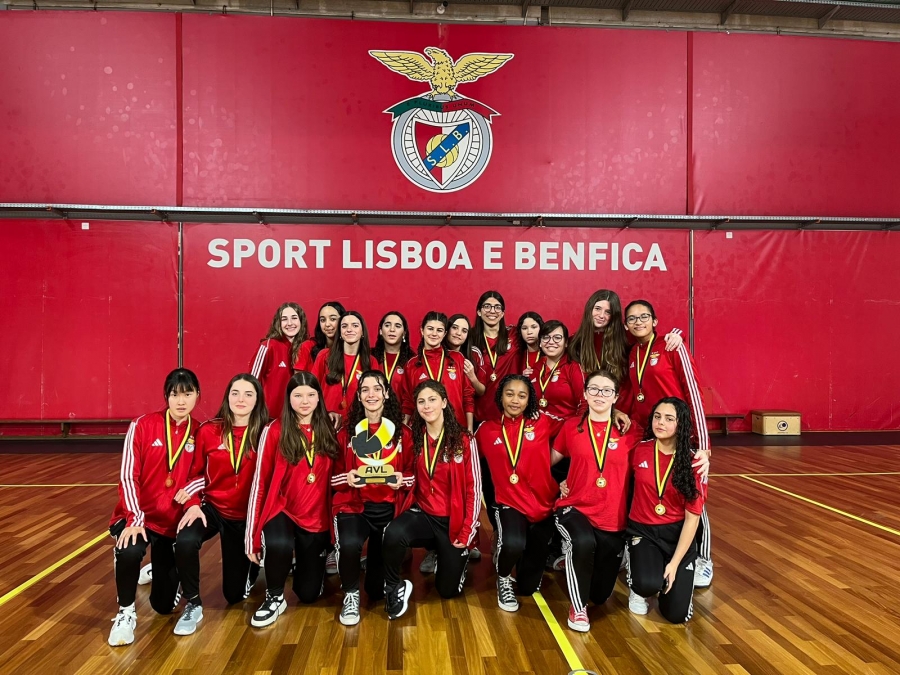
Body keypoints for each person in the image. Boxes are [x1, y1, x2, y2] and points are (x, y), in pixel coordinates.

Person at [618, 299, 714, 587]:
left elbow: (693, 392)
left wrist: (703, 444)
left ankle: (703, 560)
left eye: (643, 316)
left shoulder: (672, 346)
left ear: (655, 321)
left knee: (693, 496)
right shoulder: (633, 353)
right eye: (632, 318)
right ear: (626, 325)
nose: (638, 322)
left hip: (682, 435)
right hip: (652, 433)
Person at [107, 368, 201, 647]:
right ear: (166, 396)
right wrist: (134, 517)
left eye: (187, 394)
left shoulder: (201, 431)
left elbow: (204, 475)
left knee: (163, 606)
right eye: (174, 395)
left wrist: (192, 499)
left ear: (198, 395)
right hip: (140, 516)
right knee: (129, 548)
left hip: (170, 523)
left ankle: (161, 572)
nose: (181, 401)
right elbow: (128, 476)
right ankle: (125, 612)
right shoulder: (142, 425)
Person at [170, 374, 267, 635]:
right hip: (212, 508)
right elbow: (193, 473)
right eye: (235, 393)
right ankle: (192, 602)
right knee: (185, 539)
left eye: (248, 394)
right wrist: (192, 503)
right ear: (227, 397)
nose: (241, 399)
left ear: (257, 400)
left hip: (246, 517)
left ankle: (252, 566)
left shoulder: (267, 433)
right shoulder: (208, 431)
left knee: (234, 595)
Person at [245, 372, 341, 627]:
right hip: (283, 509)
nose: (305, 401)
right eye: (298, 395)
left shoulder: (330, 429)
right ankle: (275, 596)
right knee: (279, 543)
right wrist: (252, 537)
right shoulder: (274, 430)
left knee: (309, 594)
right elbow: (260, 483)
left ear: (319, 398)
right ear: (288, 399)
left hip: (316, 517)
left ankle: (303, 565)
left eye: (310, 395)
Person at [381, 380, 481, 620]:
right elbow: (412, 476)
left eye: (432, 399)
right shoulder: (416, 438)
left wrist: (467, 532)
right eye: (421, 401)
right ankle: (393, 588)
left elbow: (474, 489)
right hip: (425, 515)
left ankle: (449, 557)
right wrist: (400, 479)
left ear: (444, 403)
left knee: (447, 591)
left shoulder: (464, 440)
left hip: (453, 523)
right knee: (392, 533)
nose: (427, 406)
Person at [551, 370, 642, 632]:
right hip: (574, 507)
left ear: (616, 397)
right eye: (593, 389)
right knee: (583, 542)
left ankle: (578, 564)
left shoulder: (630, 430)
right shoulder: (571, 426)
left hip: (612, 517)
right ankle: (577, 608)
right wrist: (555, 484)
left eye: (606, 390)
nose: (599, 394)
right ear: (585, 393)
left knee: (600, 595)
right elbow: (546, 460)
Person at [330, 370, 414, 625]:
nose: (371, 394)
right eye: (365, 389)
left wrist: (401, 479)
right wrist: (347, 478)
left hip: (388, 509)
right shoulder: (346, 434)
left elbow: (414, 476)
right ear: (358, 396)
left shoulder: (403, 433)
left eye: (377, 388)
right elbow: (331, 479)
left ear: (386, 394)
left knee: (376, 590)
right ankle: (350, 593)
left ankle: (389, 583)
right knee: (349, 544)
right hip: (355, 507)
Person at [475, 375, 558, 612]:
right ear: (500, 396)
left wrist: (614, 412)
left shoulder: (543, 422)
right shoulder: (486, 430)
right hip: (508, 501)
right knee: (513, 543)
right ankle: (503, 578)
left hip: (543, 503)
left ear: (529, 400)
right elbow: (468, 461)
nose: (515, 400)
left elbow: (577, 428)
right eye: (509, 394)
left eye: (522, 396)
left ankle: (520, 564)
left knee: (528, 586)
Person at [626, 397, 707, 623]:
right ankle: (640, 585)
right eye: (657, 416)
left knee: (677, 615)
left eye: (669, 419)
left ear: (681, 425)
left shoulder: (694, 462)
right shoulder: (638, 450)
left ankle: (667, 577)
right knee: (646, 584)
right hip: (644, 531)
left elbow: (692, 520)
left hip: (677, 535)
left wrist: (674, 563)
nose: (660, 422)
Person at [395, 311, 475, 432]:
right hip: (423, 430)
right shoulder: (412, 364)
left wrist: (469, 428)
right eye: (430, 329)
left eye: (439, 330)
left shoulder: (457, 358)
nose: (434, 334)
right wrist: (404, 429)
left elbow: (467, 396)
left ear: (445, 334)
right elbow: (408, 402)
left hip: (456, 428)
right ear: (422, 331)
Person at [311, 310, 378, 430]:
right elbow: (311, 389)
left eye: (355, 325)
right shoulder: (324, 356)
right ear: (340, 333)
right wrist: (324, 414)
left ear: (362, 332)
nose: (349, 329)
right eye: (344, 326)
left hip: (357, 426)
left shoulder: (371, 361)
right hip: (326, 423)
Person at [250, 302, 308, 418]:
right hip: (269, 417)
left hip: (296, 418)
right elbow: (251, 382)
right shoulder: (268, 346)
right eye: (284, 319)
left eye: (294, 318)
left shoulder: (307, 348)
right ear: (278, 323)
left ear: (301, 321)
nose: (290, 323)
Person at [531, 320, 587, 440]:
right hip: (538, 433)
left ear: (566, 343)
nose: (551, 342)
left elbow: (585, 403)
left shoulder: (573, 368)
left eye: (557, 338)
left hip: (564, 434)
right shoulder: (535, 367)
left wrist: (574, 431)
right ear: (540, 343)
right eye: (546, 337)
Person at [295, 301, 346, 372]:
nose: (327, 324)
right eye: (323, 320)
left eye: (333, 319)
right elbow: (298, 377)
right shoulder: (307, 347)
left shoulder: (350, 348)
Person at [371, 311, 414, 390]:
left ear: (404, 333)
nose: (392, 329)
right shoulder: (369, 356)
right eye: (387, 325)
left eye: (397, 326)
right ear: (380, 331)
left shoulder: (412, 360)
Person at [444, 313, 484, 398]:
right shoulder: (437, 353)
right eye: (454, 328)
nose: (458, 333)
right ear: (447, 329)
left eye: (464, 331)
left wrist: (472, 377)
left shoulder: (474, 353)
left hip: (468, 404)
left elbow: (481, 391)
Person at [513, 312, 544, 377]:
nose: (529, 332)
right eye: (524, 328)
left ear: (541, 328)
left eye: (534, 327)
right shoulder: (517, 356)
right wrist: (522, 379)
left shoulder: (549, 354)